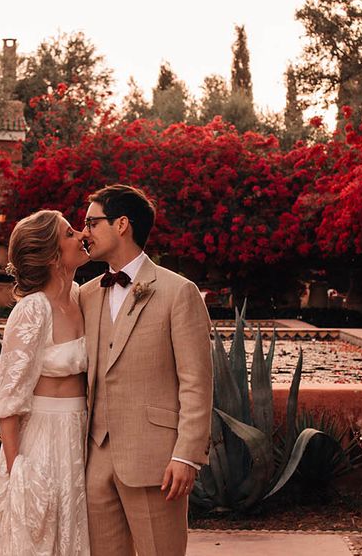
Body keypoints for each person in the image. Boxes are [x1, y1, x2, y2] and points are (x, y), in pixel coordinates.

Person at [79, 184, 213, 556]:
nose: (84, 232)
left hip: (157, 459)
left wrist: (186, 455)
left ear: (122, 224)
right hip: (95, 458)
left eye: (92, 222)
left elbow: (196, 382)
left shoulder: (178, 292)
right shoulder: (87, 295)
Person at [0, 209, 91, 556]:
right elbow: (8, 400)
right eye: (70, 233)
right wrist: (18, 474)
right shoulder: (32, 310)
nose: (82, 235)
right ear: (53, 255)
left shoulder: (83, 298)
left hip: (83, 435)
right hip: (43, 442)